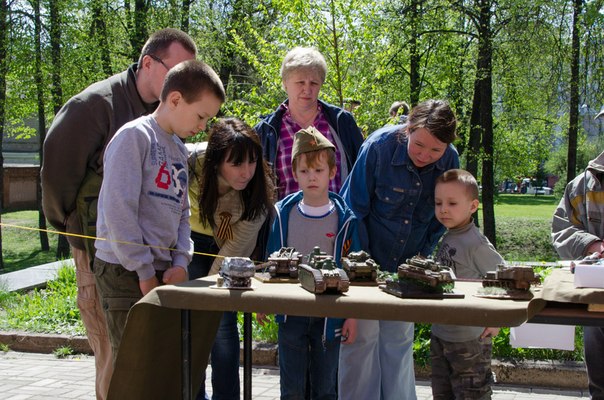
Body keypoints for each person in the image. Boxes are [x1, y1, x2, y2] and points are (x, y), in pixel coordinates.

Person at [40, 28, 197, 400]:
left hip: (149, 257)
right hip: (101, 251)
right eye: (177, 70)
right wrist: (77, 235)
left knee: (145, 355)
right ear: (148, 63)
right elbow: (56, 175)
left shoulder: (171, 117)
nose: (184, 83)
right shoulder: (95, 105)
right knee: (113, 352)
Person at [93, 59, 225, 363]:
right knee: (134, 368)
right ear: (176, 99)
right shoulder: (134, 137)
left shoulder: (179, 150)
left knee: (161, 365)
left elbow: (182, 214)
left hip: (162, 270)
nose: (203, 127)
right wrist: (143, 270)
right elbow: (118, 210)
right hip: (124, 271)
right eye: (201, 116)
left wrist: (181, 261)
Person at [338, 99, 460, 400]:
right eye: (418, 145)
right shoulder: (377, 147)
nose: (425, 156)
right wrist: (363, 268)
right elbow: (353, 211)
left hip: (408, 265)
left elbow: (440, 219)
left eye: (435, 151)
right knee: (361, 339)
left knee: (398, 340)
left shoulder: (450, 161)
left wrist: (419, 263)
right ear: (408, 129)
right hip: (364, 260)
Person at [259, 126, 361, 400]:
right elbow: (271, 263)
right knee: (291, 387)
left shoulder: (345, 219)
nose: (311, 177)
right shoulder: (283, 214)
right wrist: (264, 301)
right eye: (304, 171)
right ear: (294, 174)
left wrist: (352, 314)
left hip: (330, 316)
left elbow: (353, 270)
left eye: (318, 170)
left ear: (332, 172)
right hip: (291, 314)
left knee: (326, 386)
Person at [187, 118, 275, 400]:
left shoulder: (258, 192)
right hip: (187, 243)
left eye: (251, 161)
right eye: (236, 164)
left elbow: (233, 250)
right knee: (191, 329)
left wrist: (211, 291)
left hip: (227, 250)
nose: (246, 172)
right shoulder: (191, 163)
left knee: (222, 329)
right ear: (216, 161)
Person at [254, 46, 363, 199]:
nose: (307, 89)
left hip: (339, 221)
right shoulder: (265, 132)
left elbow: (362, 176)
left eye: (313, 83)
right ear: (285, 83)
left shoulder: (342, 123)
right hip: (285, 222)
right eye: (300, 82)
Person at [432, 169, 503, 399]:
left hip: (469, 338)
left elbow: (504, 280)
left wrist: (496, 320)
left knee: (473, 394)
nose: (443, 209)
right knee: (442, 393)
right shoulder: (450, 234)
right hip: (442, 333)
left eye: (452, 203)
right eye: (438, 202)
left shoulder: (476, 243)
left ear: (473, 206)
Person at [551, 150, 604, 400]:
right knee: (600, 385)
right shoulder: (582, 185)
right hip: (596, 302)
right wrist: (593, 245)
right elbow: (562, 229)